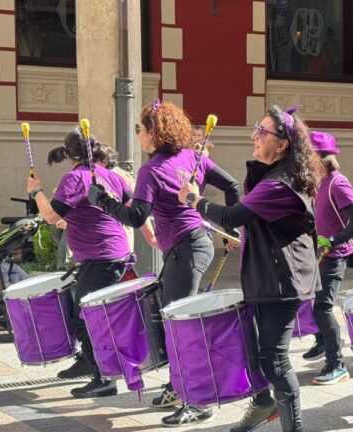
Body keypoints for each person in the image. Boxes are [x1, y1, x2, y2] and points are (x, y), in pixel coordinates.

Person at [88, 100, 241, 426]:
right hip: (193, 246)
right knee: (174, 321)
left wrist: (102, 200)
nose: (138, 135)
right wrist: (230, 227)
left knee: (182, 326)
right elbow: (232, 186)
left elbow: (135, 215)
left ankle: (197, 401)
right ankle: (177, 386)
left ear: (154, 132)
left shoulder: (152, 170)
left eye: (140, 129)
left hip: (188, 249)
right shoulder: (190, 156)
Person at [178, 105, 322, 432]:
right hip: (271, 278)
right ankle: (264, 405)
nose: (254, 137)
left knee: (275, 360)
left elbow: (232, 216)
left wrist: (194, 199)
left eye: (262, 132)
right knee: (263, 357)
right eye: (256, 129)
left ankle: (292, 426)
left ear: (283, 143)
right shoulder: (272, 175)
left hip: (282, 282)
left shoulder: (281, 184)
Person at [25, 127, 133, 398]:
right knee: (89, 315)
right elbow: (124, 209)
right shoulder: (111, 175)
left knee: (85, 318)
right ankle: (94, 363)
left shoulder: (73, 178)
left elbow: (50, 216)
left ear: (68, 152)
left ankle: (104, 377)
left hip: (101, 257)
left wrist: (36, 192)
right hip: (112, 253)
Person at [301, 131, 353, 386]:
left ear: (322, 158)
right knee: (312, 301)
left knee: (323, 307)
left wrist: (333, 240)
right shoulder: (318, 182)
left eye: (309, 156)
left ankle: (336, 364)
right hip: (318, 253)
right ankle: (321, 343)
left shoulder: (338, 183)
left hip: (334, 255)